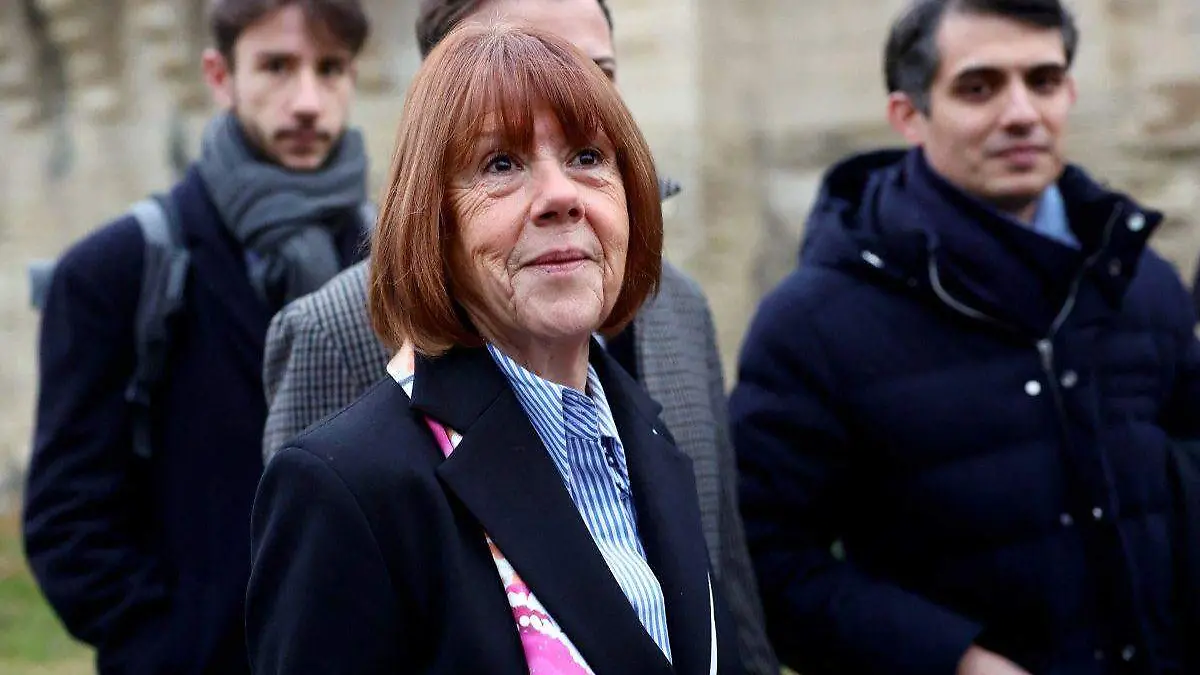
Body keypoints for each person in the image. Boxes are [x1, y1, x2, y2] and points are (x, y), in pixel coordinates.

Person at [259, 1, 777, 672]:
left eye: (588, 156)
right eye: (501, 163)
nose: (561, 195)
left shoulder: (650, 438)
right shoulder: (345, 486)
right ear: (433, 219)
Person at [730, 1, 1200, 674]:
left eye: (1043, 81)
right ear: (908, 115)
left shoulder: (1141, 284)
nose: (1022, 113)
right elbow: (763, 559)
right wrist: (955, 660)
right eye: (979, 88)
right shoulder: (811, 325)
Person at [22, 1, 371, 673]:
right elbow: (66, 521)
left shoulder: (394, 264)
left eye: (330, 69)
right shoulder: (118, 268)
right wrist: (171, 643)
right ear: (220, 76)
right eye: (276, 66)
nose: (307, 101)